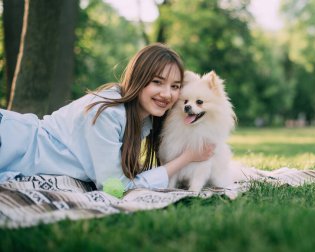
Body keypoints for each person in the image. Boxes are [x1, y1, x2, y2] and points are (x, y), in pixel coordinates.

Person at [0, 43, 214, 191]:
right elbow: (115, 189)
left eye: (175, 86)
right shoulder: (107, 114)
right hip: (12, 142)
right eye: (157, 82)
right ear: (138, 79)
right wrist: (186, 158)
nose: (167, 94)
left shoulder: (142, 119)